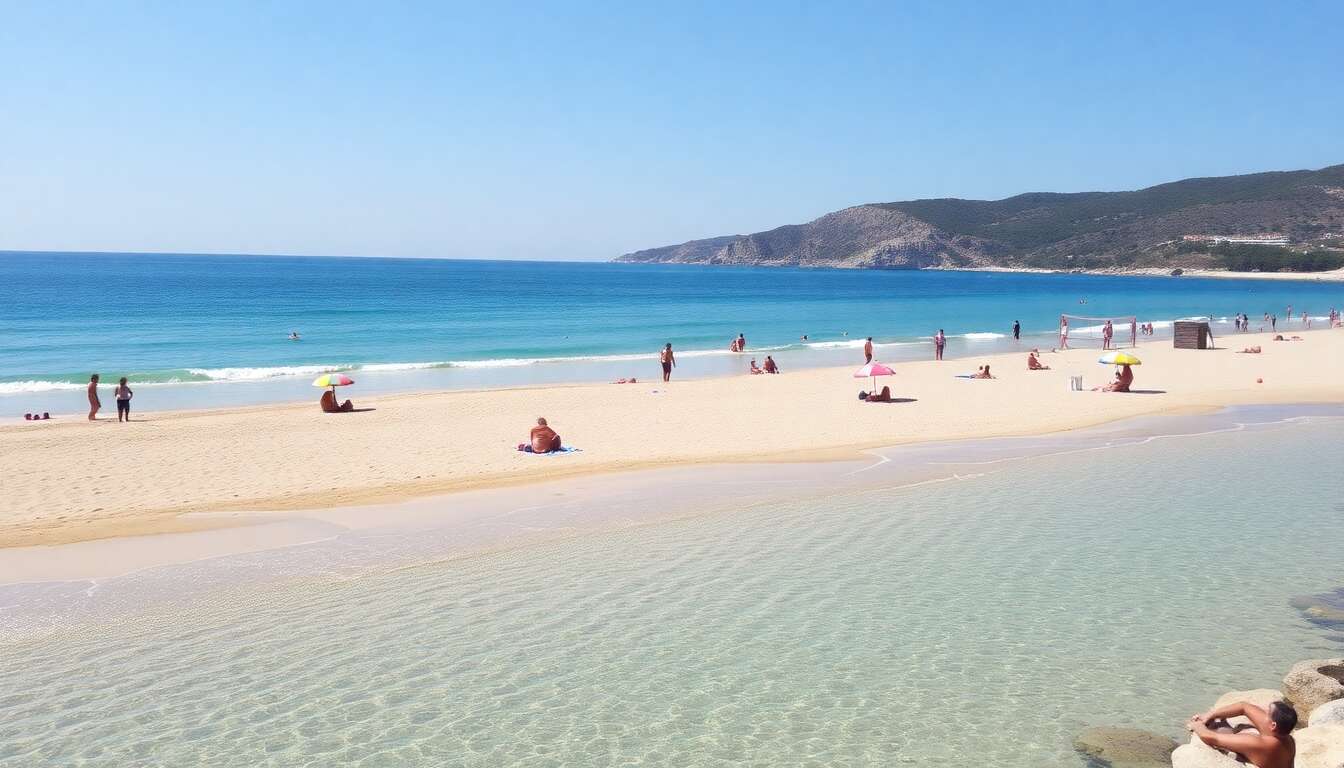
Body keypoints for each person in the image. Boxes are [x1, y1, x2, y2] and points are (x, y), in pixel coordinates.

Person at [1187, 699, 1296, 768]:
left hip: (1261, 750)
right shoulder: (1286, 737)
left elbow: (1210, 738)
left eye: (1267, 713)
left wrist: (1196, 725)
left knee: (1220, 730)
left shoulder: (1260, 744)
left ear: (1273, 726)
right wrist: (1210, 715)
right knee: (1239, 728)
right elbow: (1243, 706)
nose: (1262, 711)